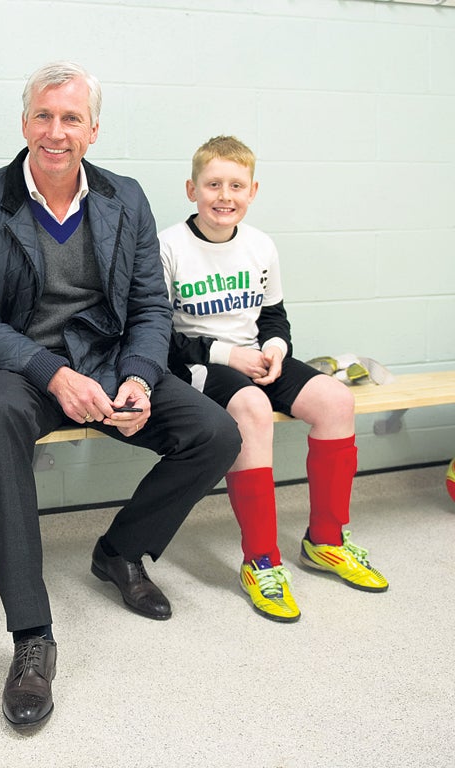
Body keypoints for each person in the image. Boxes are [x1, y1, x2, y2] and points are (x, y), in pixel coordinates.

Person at [0, 62, 241, 729]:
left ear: (93, 130)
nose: (56, 131)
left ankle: (120, 552)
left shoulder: (125, 198)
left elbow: (148, 305)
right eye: (43, 116)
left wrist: (137, 374)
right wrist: (51, 374)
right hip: (13, 367)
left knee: (215, 433)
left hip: (105, 360)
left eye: (71, 118)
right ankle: (31, 637)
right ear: (24, 124)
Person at [159, 135, 388, 623]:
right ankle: (260, 559)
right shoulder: (169, 247)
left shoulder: (261, 245)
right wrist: (227, 355)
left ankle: (325, 540)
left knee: (334, 400)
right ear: (191, 188)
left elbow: (273, 316)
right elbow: (157, 335)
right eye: (213, 184)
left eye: (236, 185)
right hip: (199, 364)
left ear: (253, 190)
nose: (225, 195)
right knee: (253, 410)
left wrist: (275, 350)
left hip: (253, 357)